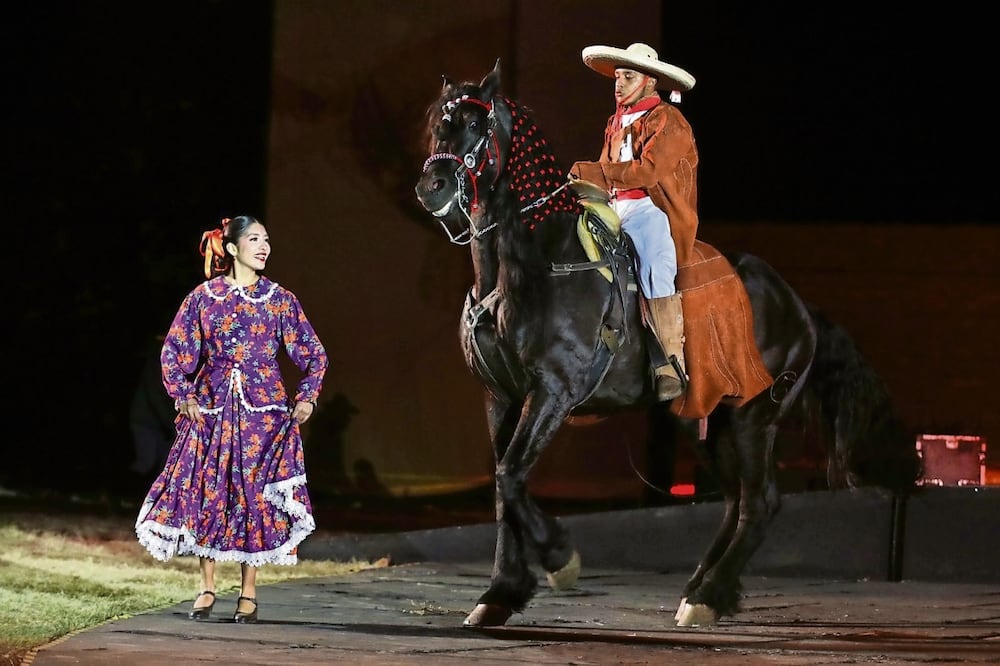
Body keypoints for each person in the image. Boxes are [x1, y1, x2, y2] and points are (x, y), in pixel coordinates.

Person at [135, 215, 329, 624]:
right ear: (233, 247)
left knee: (252, 496)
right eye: (255, 239)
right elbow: (174, 352)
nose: (264, 247)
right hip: (212, 409)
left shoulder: (280, 300)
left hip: (264, 415)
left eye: (267, 240)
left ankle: (249, 592)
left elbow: (313, 353)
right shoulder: (204, 298)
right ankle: (206, 587)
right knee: (210, 491)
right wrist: (183, 394)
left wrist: (307, 396)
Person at [570, 42, 698, 401]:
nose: (619, 83)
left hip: (648, 209)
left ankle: (670, 362)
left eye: (628, 76)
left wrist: (595, 172)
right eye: (618, 77)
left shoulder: (668, 121)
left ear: (650, 82)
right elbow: (604, 171)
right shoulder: (614, 122)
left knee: (656, 263)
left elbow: (649, 171)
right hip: (614, 206)